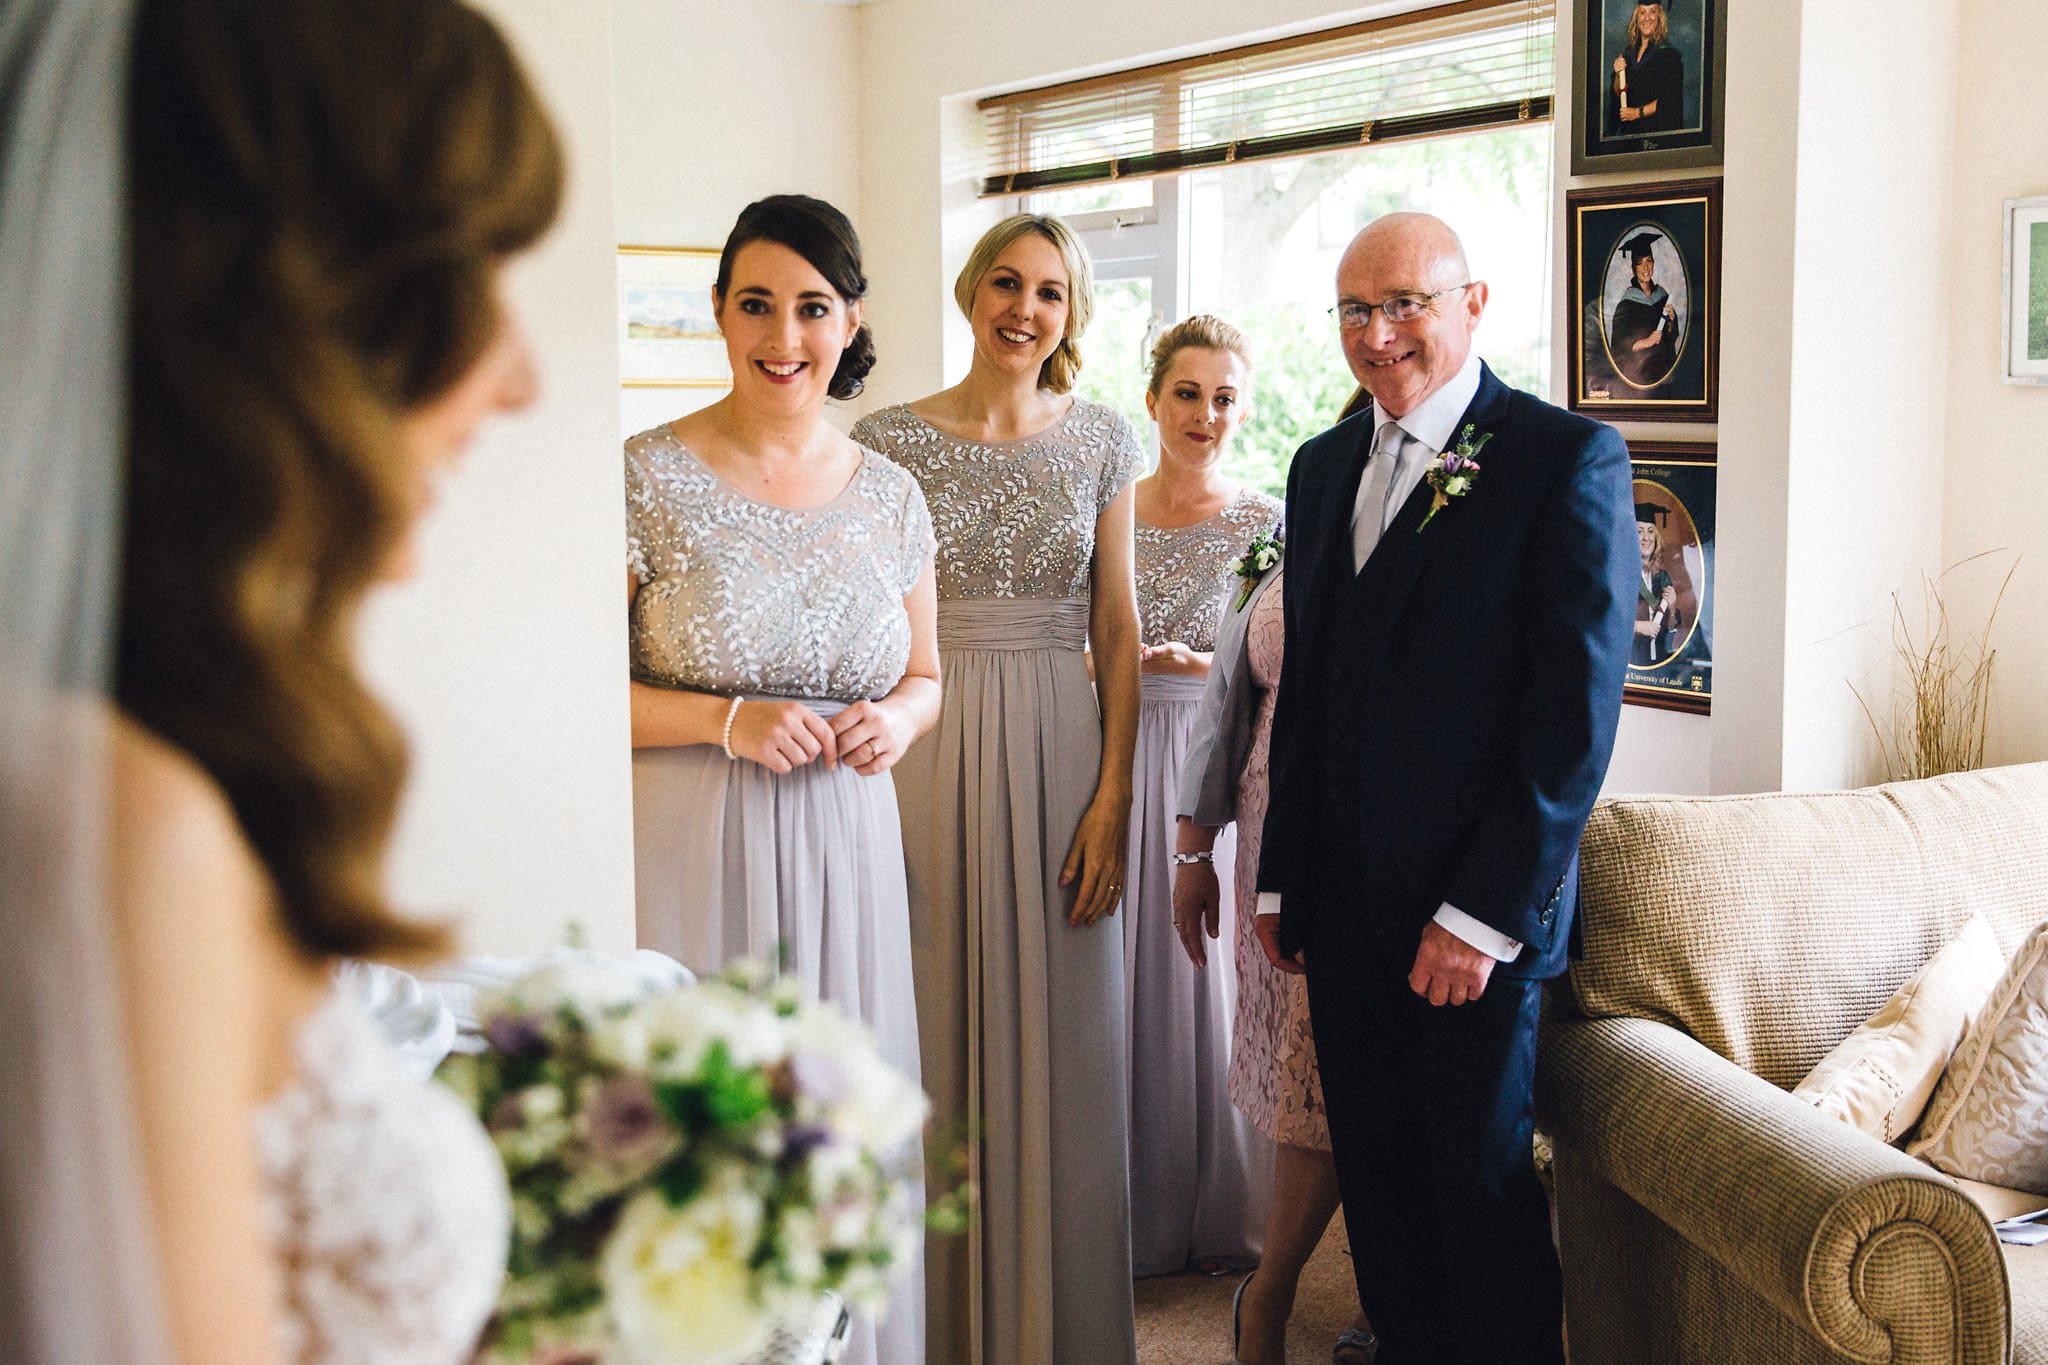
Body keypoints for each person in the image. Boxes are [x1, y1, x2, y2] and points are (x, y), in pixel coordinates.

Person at [0, 0, 564, 1357]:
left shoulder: (112, 764)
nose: (524, 378)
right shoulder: (122, 831)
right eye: (476, 268)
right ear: (302, 307)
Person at [1255, 212, 1635, 1364]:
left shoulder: (1560, 458)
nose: (1378, 334)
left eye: (1406, 303)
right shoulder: (1322, 466)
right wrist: (1281, 881)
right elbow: (1310, 691)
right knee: (1378, 1192)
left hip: (1469, 925)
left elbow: (1569, 724)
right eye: (1354, 311)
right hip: (1342, 911)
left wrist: (1478, 918)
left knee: (1475, 1199)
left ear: (1472, 303)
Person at [626, 194, 937, 1365]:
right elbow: (577, 697)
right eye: (755, 303)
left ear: (847, 318)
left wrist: (897, 721)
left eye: (811, 307)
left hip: (846, 849)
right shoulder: (643, 477)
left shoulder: (891, 494)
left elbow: (926, 675)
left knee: (836, 1136)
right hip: (694, 843)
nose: (783, 334)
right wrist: (727, 719)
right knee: (706, 1144)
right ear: (717, 312)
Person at [851, 213, 1141, 1365]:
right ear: (971, 291)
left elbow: (1113, 628)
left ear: (1070, 315)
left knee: (1068, 1032)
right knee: (923, 1015)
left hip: (1063, 747)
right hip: (922, 739)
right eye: (1008, 283)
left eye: (1052, 292)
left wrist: (1113, 793)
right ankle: (931, 1323)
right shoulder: (886, 440)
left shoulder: (1106, 439)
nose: (1026, 307)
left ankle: (1056, 1328)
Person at [1173, 541, 1381, 1365]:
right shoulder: (1283, 551)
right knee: (1309, 1085)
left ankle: (1368, 1294)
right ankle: (1272, 1293)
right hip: (1273, 851)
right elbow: (1223, 709)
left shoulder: (1447, 531)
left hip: (1381, 853)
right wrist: (1195, 854)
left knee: (1354, 1077)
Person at [1121, 315, 1275, 1279]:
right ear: (1153, 398)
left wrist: (1203, 661)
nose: (1204, 414)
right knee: (1122, 972)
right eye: (1187, 393)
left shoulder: (1263, 520)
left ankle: (1220, 1210)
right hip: (1115, 749)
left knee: (1206, 979)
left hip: (1212, 758)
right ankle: (1127, 1205)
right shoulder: (1112, 510)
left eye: (1223, 397)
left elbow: (1281, 662)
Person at [1608, 232, 1680, 388]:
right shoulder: (1627, 304)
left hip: (1663, 375)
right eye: (1640, 263)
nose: (1646, 268)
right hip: (1641, 378)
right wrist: (1646, 342)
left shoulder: (1662, 295)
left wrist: (1671, 323)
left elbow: (1671, 337)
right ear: (1633, 268)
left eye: (1649, 261)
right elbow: (1619, 346)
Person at [1607, 0, 1684, 138]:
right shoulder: (1628, 54)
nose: (1647, 17)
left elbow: (1670, 99)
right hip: (1631, 135)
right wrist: (1619, 75)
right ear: (1636, 18)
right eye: (1642, 12)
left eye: (1653, 11)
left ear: (1659, 17)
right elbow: (1618, 93)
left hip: (1657, 134)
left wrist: (1637, 113)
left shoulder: (1669, 56)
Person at [1633, 504, 1680, 665]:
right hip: (1630, 663)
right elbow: (1606, 619)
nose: (1646, 537)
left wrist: (1672, 607)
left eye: (1650, 531)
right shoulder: (1620, 575)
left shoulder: (1662, 578)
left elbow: (1671, 629)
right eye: (1639, 531)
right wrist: (1638, 627)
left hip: (1658, 661)